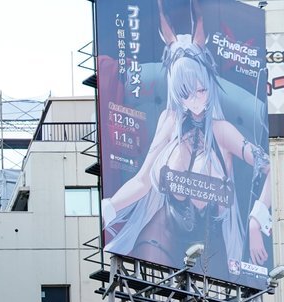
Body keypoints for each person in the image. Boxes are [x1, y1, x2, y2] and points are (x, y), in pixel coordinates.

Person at [102, 0, 272, 277]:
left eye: (200, 90)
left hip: (213, 245)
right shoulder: (168, 121)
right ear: (175, 93)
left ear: (208, 84)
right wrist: (108, 208)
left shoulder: (221, 130)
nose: (194, 101)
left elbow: (273, 168)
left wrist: (256, 219)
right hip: (163, 230)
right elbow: (143, 180)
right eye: (184, 94)